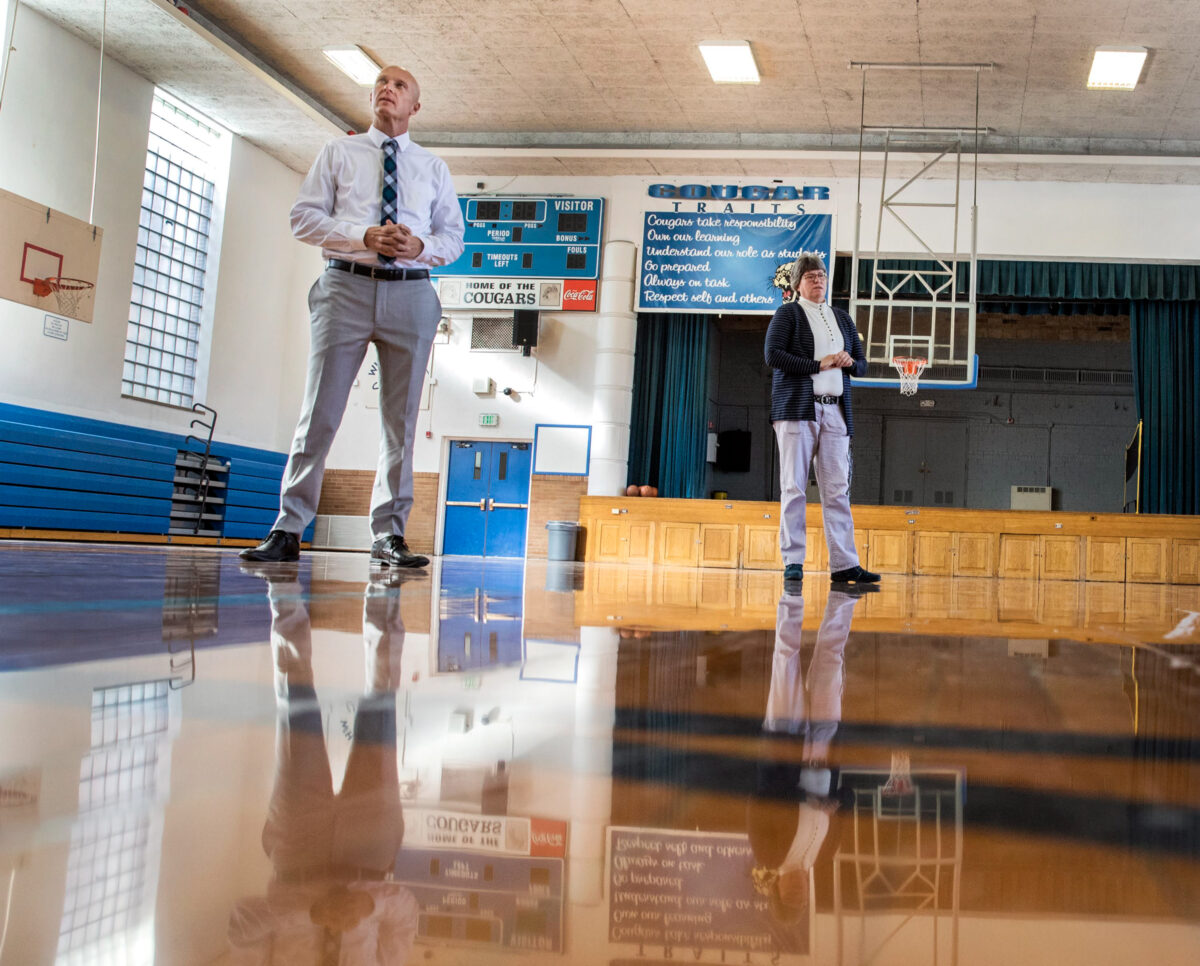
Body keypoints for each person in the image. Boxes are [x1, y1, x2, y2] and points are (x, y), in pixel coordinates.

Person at [241, 66, 465, 567]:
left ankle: (388, 534)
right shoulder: (337, 153)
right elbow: (303, 217)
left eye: (400, 85)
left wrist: (420, 244)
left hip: (411, 293)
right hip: (345, 285)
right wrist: (363, 235)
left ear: (415, 107)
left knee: (401, 422)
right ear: (372, 98)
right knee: (319, 413)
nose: (388, 88)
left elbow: (453, 239)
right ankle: (288, 527)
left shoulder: (433, 169)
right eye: (381, 82)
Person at [229, 568, 419, 963]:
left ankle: (281, 583)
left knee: (295, 702)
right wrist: (368, 906)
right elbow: (405, 915)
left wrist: (310, 912)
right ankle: (386, 580)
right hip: (370, 855)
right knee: (380, 701)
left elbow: (242, 923)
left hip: (298, 849)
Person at [763, 254, 880, 587]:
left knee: (837, 491)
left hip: (836, 412)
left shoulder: (841, 318)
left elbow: (861, 364)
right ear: (798, 283)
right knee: (794, 487)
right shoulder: (788, 314)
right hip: (797, 410)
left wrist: (847, 361)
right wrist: (819, 364)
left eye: (822, 275)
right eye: (811, 276)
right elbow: (773, 355)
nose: (818, 281)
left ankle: (844, 563)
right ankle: (793, 561)